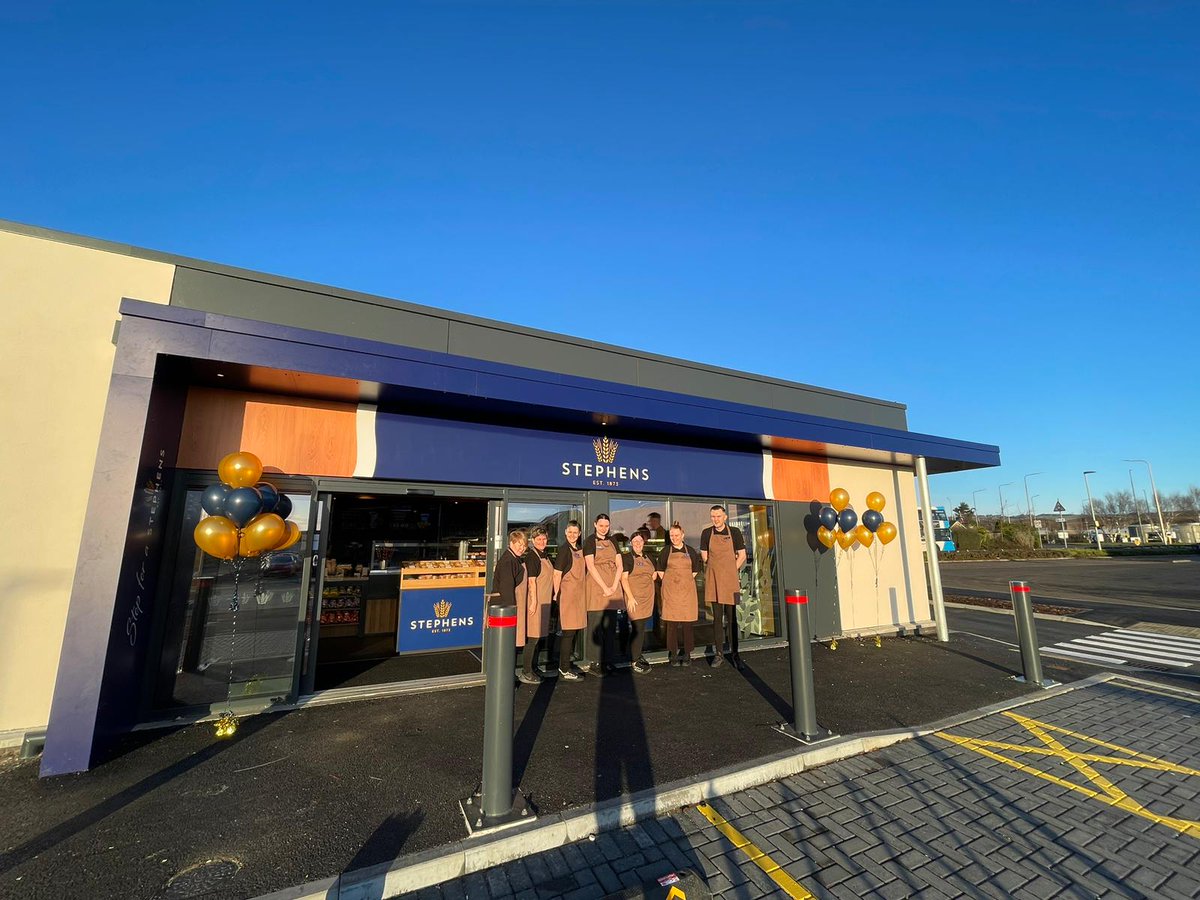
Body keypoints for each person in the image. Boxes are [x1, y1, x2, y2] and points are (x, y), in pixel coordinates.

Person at [700, 505, 747, 670]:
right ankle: (719, 654)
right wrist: (717, 568)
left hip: (731, 581)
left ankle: (735, 655)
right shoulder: (706, 533)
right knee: (717, 620)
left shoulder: (734, 532)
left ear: (725, 517)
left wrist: (730, 569)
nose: (715, 519)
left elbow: (742, 555)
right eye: (713, 516)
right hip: (714, 581)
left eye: (718, 516)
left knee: (732, 619)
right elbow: (704, 555)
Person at [656, 521, 701, 667]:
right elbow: (660, 571)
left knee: (688, 625)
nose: (674, 538)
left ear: (682, 535)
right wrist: (672, 583)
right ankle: (673, 654)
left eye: (676, 535)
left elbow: (694, 570)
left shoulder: (691, 552)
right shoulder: (665, 552)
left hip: (687, 593)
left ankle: (687, 653)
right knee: (672, 625)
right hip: (671, 593)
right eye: (672, 535)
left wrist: (683, 582)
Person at [583, 513, 623, 674]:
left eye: (606, 525)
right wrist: (604, 587)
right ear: (595, 524)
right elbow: (591, 566)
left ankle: (607, 659)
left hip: (612, 587)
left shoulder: (613, 541)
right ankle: (595, 662)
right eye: (601, 525)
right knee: (596, 626)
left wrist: (613, 585)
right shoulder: (589, 541)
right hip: (596, 587)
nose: (604, 528)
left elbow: (619, 565)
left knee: (610, 627)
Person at [491, 529, 529, 682]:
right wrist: (512, 612)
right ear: (511, 543)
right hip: (505, 611)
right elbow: (506, 590)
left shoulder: (513, 559)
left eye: (524, 545)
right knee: (507, 644)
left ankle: (507, 677)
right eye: (519, 544)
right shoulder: (508, 561)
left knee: (508, 645)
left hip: (507, 609)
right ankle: (506, 679)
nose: (522, 548)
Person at [553, 519, 587, 681]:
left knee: (572, 632)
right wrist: (556, 594)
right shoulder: (564, 550)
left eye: (576, 532)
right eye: (570, 532)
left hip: (578, 595)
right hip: (567, 596)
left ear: (579, 534)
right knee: (568, 632)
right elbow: (557, 574)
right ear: (566, 533)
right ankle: (564, 669)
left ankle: (566, 663)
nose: (573, 535)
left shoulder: (579, 549)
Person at [519, 526, 554, 684]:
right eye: (538, 539)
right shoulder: (532, 557)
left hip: (544, 601)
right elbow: (531, 581)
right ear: (533, 541)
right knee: (532, 639)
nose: (542, 541)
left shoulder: (545, 555)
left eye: (544, 539)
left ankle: (533, 667)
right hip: (536, 602)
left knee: (538, 637)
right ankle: (526, 672)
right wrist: (533, 602)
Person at [620, 531, 656, 674]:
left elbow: (653, 575)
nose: (637, 543)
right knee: (638, 629)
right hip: (634, 599)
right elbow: (624, 579)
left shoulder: (649, 557)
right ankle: (635, 661)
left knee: (640, 629)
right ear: (631, 543)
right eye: (635, 541)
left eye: (640, 541)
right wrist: (630, 597)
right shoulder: (627, 558)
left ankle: (637, 655)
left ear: (643, 542)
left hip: (647, 598)